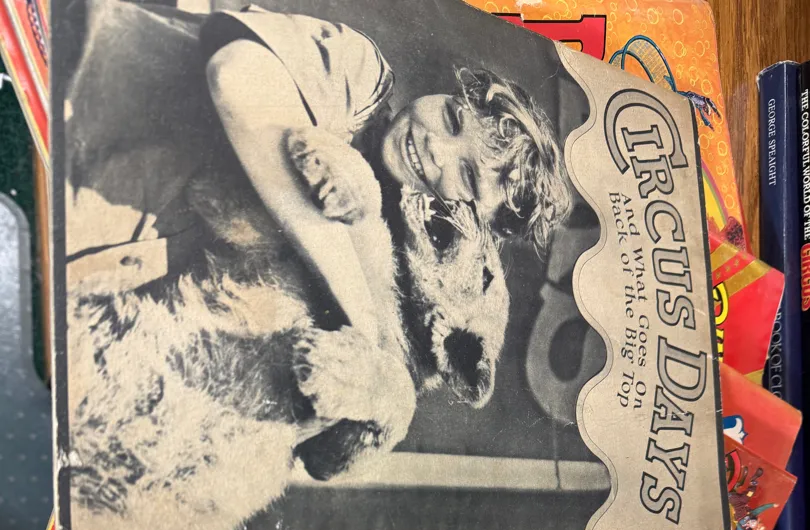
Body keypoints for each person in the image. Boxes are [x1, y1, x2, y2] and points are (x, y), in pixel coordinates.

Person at [66, 1, 572, 340]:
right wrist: (363, 317)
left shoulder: (387, 252)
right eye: (452, 118)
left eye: (467, 175)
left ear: (472, 223)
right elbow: (235, 79)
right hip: (71, 94)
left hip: (86, 249)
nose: (435, 147)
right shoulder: (361, 78)